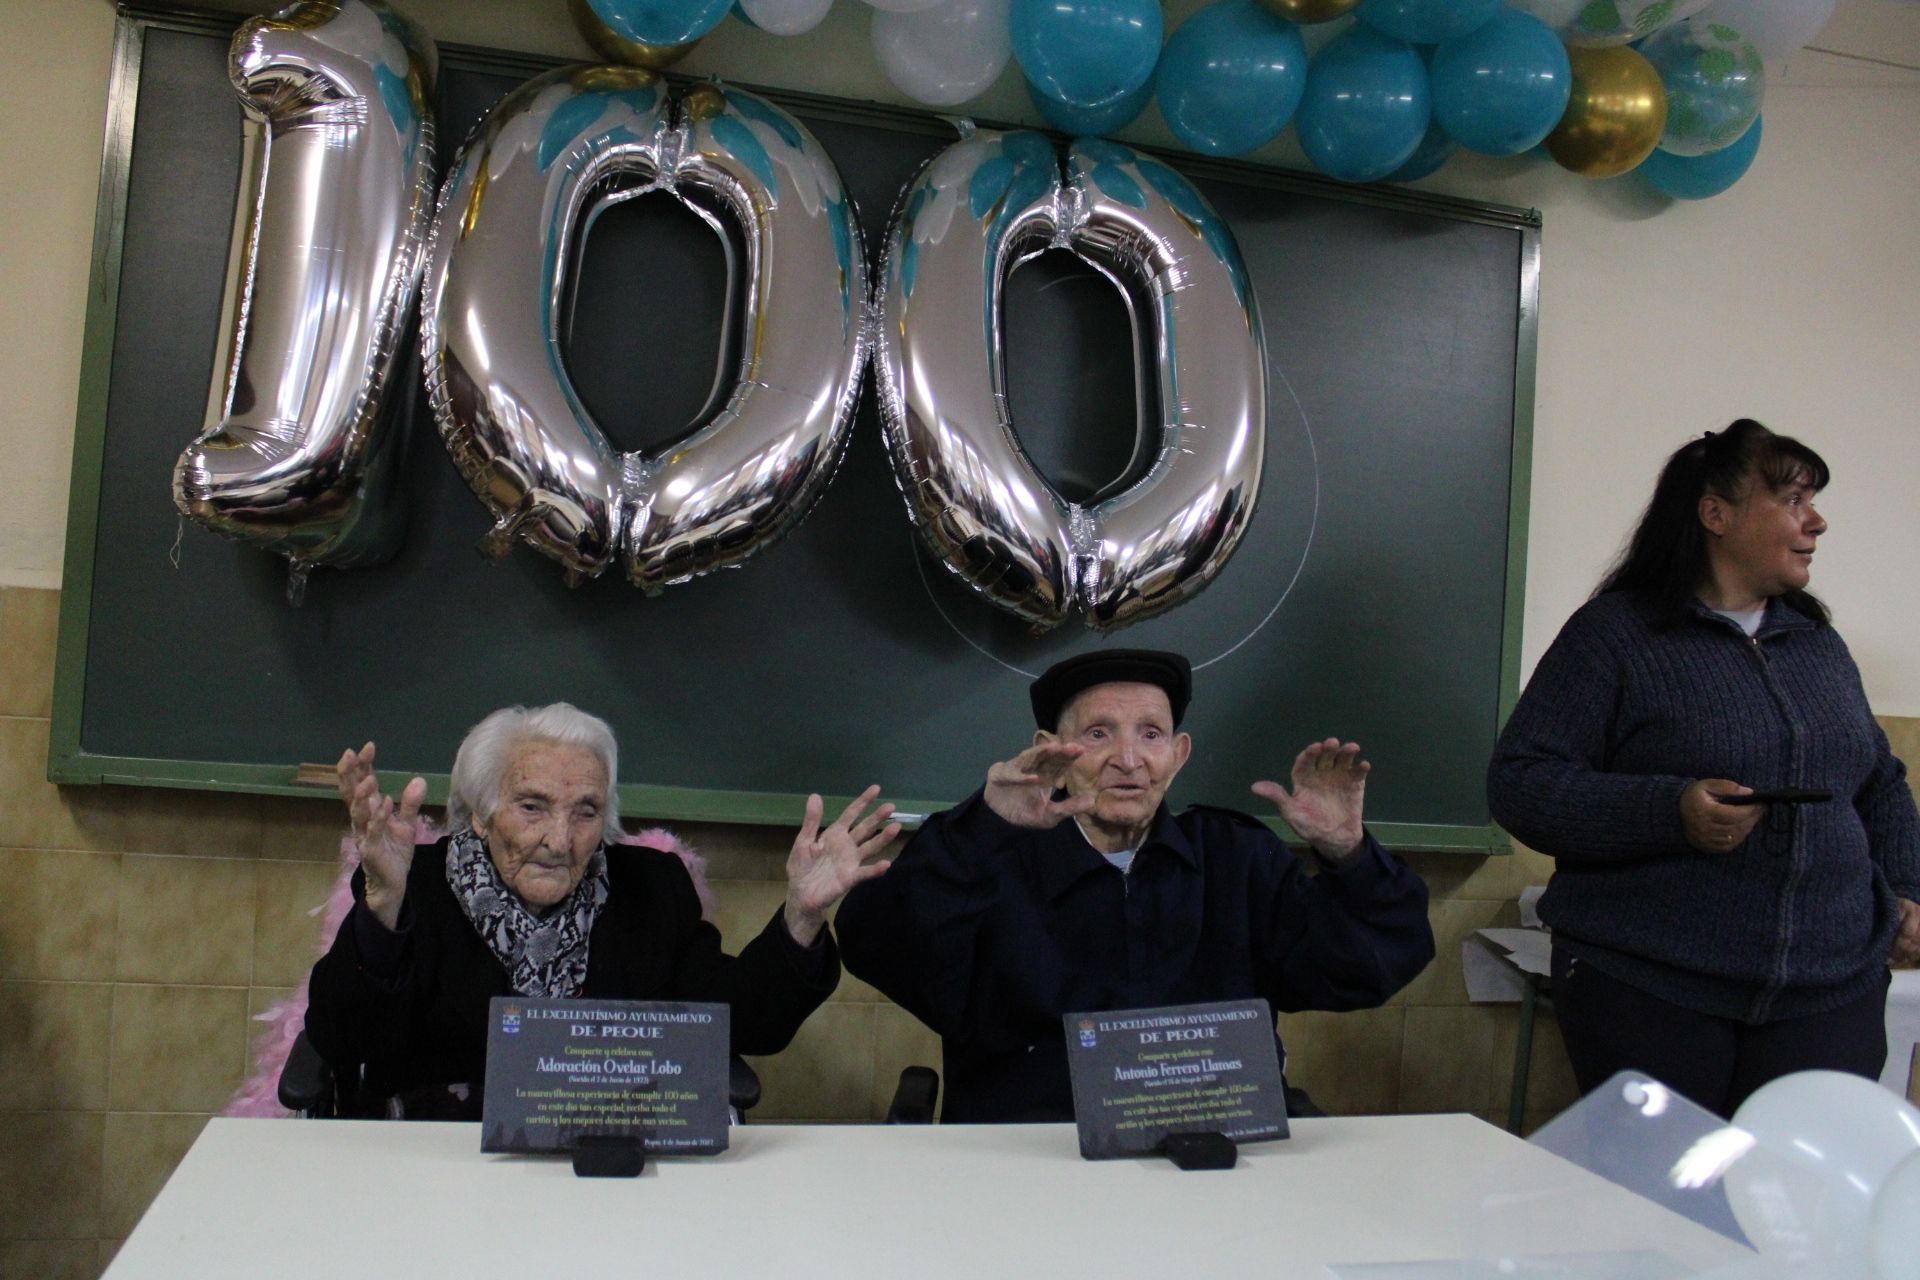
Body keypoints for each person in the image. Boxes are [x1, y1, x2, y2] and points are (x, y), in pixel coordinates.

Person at [1488, 419, 1920, 1118]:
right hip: (1653, 991)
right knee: (1670, 1211)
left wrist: (1907, 887)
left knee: (1789, 1215)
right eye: (1792, 502)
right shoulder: (1616, 636)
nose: (1817, 522)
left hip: (1828, 996)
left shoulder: (1817, 644)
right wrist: (1671, 811)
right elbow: (1522, 781)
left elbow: (1879, 783)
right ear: (1716, 514)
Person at [835, 649, 1435, 1123]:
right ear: (1050, 752)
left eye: (1150, 734)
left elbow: (1365, 971)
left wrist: (1348, 855)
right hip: (1031, 1167)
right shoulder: (989, 857)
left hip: (1207, 1161)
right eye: (1098, 734)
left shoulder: (1237, 858)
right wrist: (980, 829)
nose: (1129, 758)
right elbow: (877, 946)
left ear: (1178, 754)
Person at [305, 702, 898, 1118]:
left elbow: (741, 1025)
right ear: (479, 813)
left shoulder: (650, 890)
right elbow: (344, 1039)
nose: (560, 840)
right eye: (533, 807)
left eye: (585, 812)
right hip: (437, 1167)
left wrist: (801, 916)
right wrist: (382, 906)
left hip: (607, 1163)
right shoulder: (414, 885)